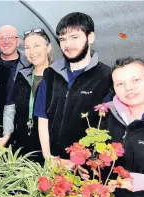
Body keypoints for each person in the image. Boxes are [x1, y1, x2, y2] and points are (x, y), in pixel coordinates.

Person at [77, 57, 144, 197]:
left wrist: (137, 181)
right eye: (120, 83)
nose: (128, 88)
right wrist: (86, 163)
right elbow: (100, 151)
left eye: (135, 80)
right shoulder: (110, 115)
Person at [34, 12, 113, 162]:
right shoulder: (51, 74)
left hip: (86, 167)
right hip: (51, 160)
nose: (67, 45)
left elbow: (108, 128)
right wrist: (47, 156)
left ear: (90, 37)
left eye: (74, 37)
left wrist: (79, 161)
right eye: (63, 39)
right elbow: (42, 116)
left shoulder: (106, 78)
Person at [12, 28, 52, 162]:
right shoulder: (22, 75)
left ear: (48, 47)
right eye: (27, 48)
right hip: (23, 147)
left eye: (37, 46)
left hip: (49, 149)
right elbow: (13, 109)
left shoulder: (58, 78)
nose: (32, 52)